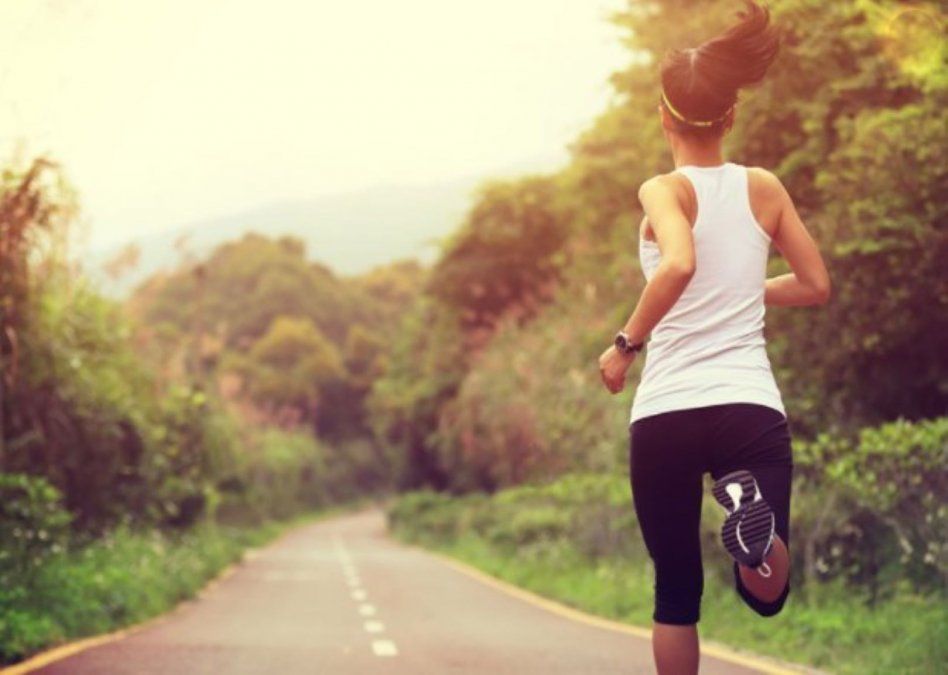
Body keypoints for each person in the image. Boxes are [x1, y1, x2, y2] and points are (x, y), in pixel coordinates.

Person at [597, 2, 831, 673]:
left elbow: (677, 263)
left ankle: (749, 528)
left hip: (666, 409)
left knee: (675, 593)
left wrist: (624, 345)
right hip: (747, 406)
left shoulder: (662, 189)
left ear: (664, 116)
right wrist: (744, 292)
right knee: (766, 592)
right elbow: (815, 284)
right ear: (730, 116)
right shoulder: (764, 187)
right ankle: (753, 533)